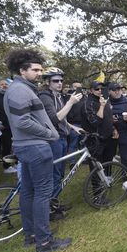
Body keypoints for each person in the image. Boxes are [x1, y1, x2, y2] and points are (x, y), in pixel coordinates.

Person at [4, 48, 71, 252]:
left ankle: (32, 236)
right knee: (42, 194)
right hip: (35, 147)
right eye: (36, 69)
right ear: (22, 70)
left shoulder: (23, 88)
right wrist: (48, 134)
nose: (40, 73)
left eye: (40, 69)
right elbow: (22, 121)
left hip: (30, 146)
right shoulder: (19, 90)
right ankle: (44, 243)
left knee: (29, 192)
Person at [39, 67, 84, 219]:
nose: (59, 83)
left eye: (61, 80)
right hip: (54, 140)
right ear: (47, 82)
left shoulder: (57, 95)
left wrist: (73, 127)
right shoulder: (46, 97)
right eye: (55, 81)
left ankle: (54, 203)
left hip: (62, 137)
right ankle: (50, 209)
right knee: (54, 174)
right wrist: (70, 102)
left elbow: (62, 118)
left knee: (59, 173)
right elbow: (55, 118)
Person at [81, 81, 115, 204]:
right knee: (96, 168)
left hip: (108, 137)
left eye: (101, 88)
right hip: (95, 141)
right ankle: (97, 196)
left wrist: (113, 128)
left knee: (107, 164)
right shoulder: (88, 103)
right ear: (90, 90)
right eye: (97, 89)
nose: (100, 91)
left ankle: (105, 186)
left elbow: (108, 117)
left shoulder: (103, 99)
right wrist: (101, 106)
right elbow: (95, 122)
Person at [0, 79, 16, 174]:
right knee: (6, 147)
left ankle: (13, 163)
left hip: (12, 125)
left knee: (12, 146)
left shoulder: (9, 95)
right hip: (2, 127)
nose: (4, 86)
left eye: (5, 84)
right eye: (1, 84)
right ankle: (6, 167)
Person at [109, 82, 127, 173]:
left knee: (125, 157)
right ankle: (108, 176)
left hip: (124, 131)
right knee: (109, 156)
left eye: (119, 89)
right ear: (109, 91)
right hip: (110, 133)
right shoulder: (106, 102)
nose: (117, 92)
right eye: (115, 90)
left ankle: (126, 179)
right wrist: (111, 120)